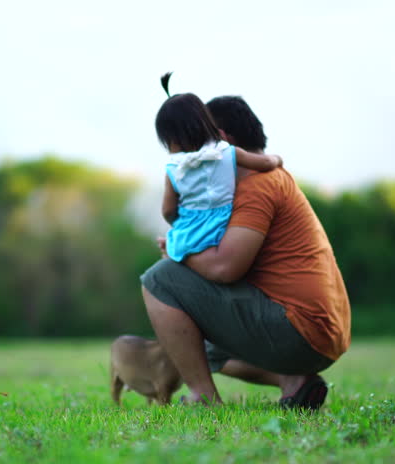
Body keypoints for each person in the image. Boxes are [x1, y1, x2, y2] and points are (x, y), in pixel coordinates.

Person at [141, 96, 351, 408]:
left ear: (222, 140)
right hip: (318, 331)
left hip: (300, 330)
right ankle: (293, 381)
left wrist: (177, 252)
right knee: (197, 347)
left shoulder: (258, 185)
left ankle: (203, 397)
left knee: (158, 279)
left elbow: (225, 268)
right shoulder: (254, 184)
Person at [155, 80, 282, 262]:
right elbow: (267, 163)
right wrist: (278, 159)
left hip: (191, 236)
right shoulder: (229, 153)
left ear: (169, 140)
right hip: (226, 231)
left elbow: (168, 211)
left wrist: (181, 221)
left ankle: (173, 247)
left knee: (158, 274)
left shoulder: (174, 170)